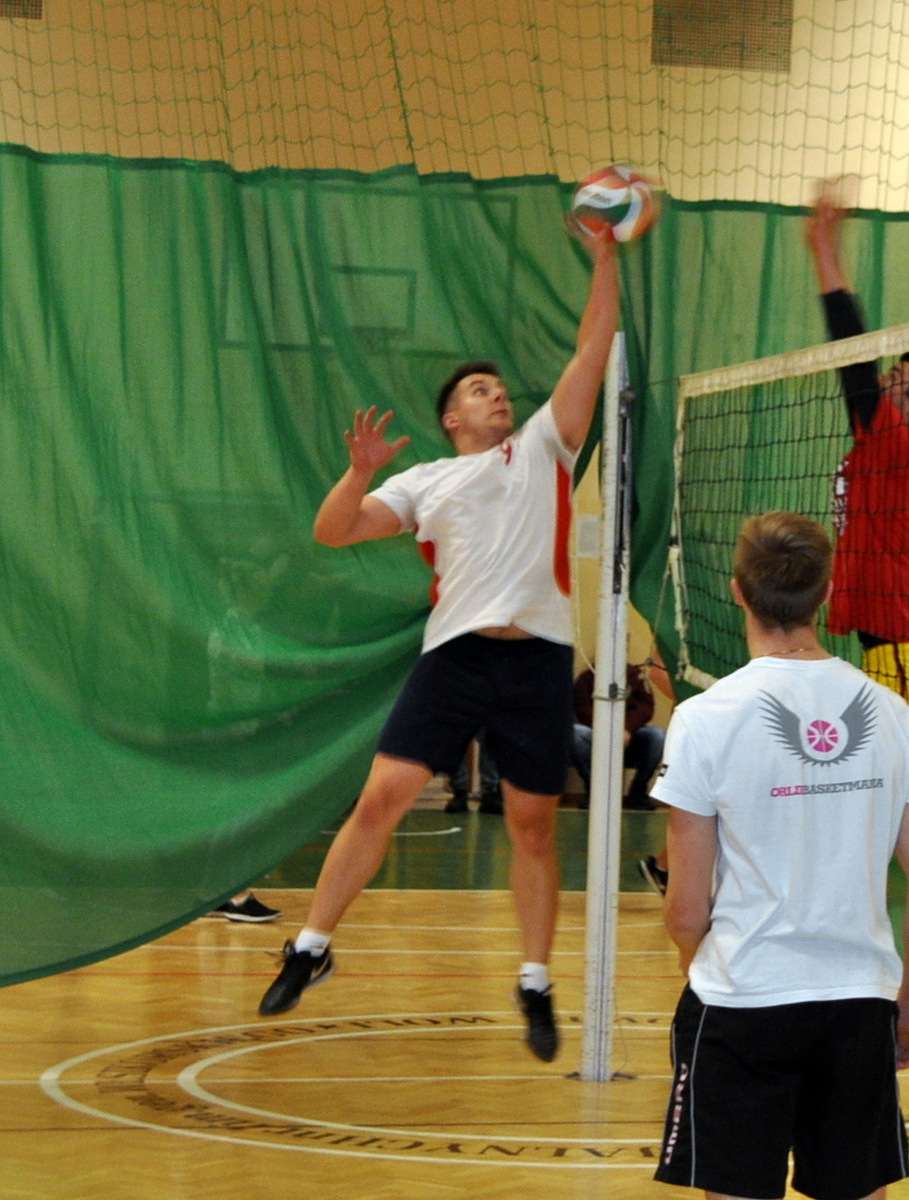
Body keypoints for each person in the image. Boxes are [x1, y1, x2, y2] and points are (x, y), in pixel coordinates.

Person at [256, 224, 621, 1065]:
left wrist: (605, 254)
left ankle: (535, 980)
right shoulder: (423, 480)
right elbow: (332, 531)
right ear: (452, 417)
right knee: (380, 798)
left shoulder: (544, 446)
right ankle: (311, 946)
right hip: (455, 657)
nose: (499, 398)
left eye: (501, 390)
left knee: (532, 825)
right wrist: (359, 471)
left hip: (536, 658)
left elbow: (593, 348)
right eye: (481, 391)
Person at [652, 511, 909, 1200]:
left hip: (744, 997)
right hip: (857, 1004)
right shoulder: (891, 714)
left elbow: (686, 905)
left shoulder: (704, 718)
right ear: (827, 593)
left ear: (737, 590)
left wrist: (699, 964)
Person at [804, 182, 909, 745]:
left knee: (889, 785)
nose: (883, 384)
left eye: (896, 379)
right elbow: (859, 370)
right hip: (893, 654)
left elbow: (854, 359)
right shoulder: (880, 450)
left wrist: (825, 249)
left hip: (904, 658)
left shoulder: (898, 448)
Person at [570, 664, 665, 810]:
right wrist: (605, 730)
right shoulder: (586, 677)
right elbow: (582, 708)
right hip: (596, 737)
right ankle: (595, 791)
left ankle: (637, 792)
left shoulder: (636, 676)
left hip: (630, 738)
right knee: (575, 733)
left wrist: (627, 729)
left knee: (657, 736)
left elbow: (646, 707)